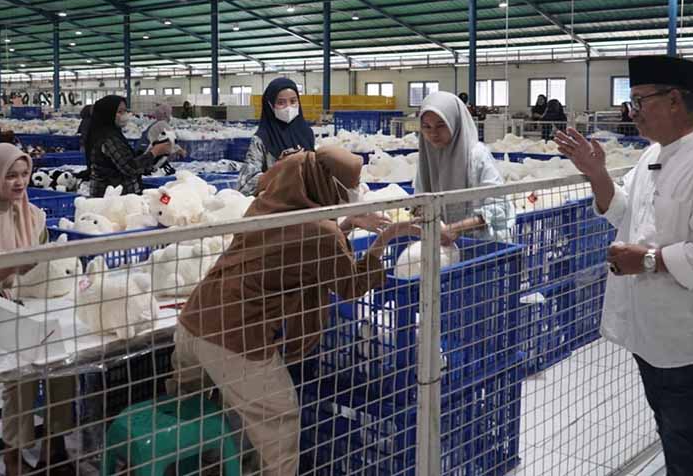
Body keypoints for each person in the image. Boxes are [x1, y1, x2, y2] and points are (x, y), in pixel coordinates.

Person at [555, 55, 693, 476]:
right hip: (654, 330)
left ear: (675, 100)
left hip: (691, 335)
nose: (633, 112)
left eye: (640, 101)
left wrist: (647, 260)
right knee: (671, 427)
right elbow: (623, 210)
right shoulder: (653, 155)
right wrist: (596, 173)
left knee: (686, 437)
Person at [176, 146, 417, 476]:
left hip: (194, 320)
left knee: (202, 413)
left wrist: (345, 224)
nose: (356, 190)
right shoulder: (321, 232)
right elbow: (351, 285)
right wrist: (386, 238)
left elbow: (299, 251)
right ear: (328, 183)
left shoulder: (269, 205)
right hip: (235, 337)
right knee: (280, 419)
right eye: (352, 184)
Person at [0, 144, 76, 476]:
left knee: (63, 360)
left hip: (32, 305)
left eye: (24, 174)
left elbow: (45, 267)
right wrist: (5, 270)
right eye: (10, 176)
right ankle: (13, 453)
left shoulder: (34, 217)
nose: (20, 182)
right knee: (21, 372)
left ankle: (53, 445)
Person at [414, 92, 512, 245]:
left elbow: (499, 207)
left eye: (441, 125)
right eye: (426, 127)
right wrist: (421, 212)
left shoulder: (477, 156)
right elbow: (419, 198)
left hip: (483, 246)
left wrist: (456, 229)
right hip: (444, 245)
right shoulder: (427, 157)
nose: (433, 133)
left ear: (455, 122)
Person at [238, 78, 315, 195]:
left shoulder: (307, 133)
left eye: (293, 101)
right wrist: (280, 167)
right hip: (276, 200)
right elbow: (244, 187)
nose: (288, 107)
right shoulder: (261, 140)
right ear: (270, 105)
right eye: (281, 102)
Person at [84, 96, 171, 197]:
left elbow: (127, 160)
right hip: (113, 198)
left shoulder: (112, 134)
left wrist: (151, 153)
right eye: (120, 112)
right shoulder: (108, 139)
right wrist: (154, 152)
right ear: (108, 113)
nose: (124, 115)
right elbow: (130, 168)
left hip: (119, 196)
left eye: (125, 111)